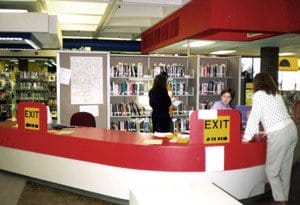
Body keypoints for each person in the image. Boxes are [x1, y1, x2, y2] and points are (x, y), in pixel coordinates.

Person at [242, 73, 298, 205]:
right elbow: (276, 115)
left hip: (280, 134)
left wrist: (247, 137)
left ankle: (280, 200)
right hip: (291, 130)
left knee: (271, 171)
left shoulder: (259, 95)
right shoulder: (275, 94)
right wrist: (269, 130)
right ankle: (283, 198)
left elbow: (254, 117)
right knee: (285, 170)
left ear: (257, 84)